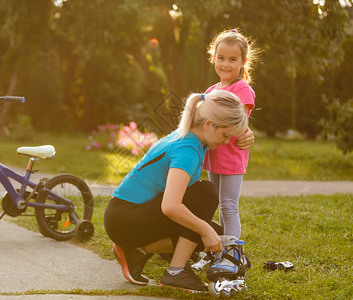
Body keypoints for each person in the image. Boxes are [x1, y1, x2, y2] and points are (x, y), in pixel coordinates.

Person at [104, 89, 249, 292]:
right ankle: (175, 272)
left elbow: (218, 107)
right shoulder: (187, 150)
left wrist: (244, 132)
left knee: (218, 237)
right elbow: (170, 206)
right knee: (206, 194)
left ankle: (138, 251)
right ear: (208, 124)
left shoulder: (194, 136)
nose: (226, 142)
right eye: (226, 135)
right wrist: (204, 229)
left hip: (127, 216)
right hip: (124, 219)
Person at [202, 29, 259, 239]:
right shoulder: (210, 91)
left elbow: (238, 122)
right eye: (221, 58)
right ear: (214, 58)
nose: (226, 64)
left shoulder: (242, 89)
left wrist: (247, 130)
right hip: (214, 155)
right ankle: (222, 246)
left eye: (232, 59)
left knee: (228, 205)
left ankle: (232, 251)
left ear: (243, 61)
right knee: (218, 204)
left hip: (232, 156)